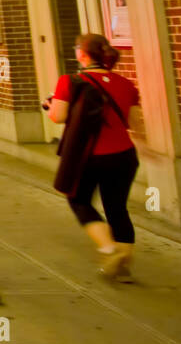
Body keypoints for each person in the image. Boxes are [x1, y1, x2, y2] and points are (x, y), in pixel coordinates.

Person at [46, 33, 140, 282]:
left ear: (82, 54)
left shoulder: (70, 81)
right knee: (117, 208)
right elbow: (134, 123)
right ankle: (124, 267)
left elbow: (58, 116)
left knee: (79, 201)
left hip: (90, 156)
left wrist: (49, 107)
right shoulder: (125, 83)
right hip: (124, 156)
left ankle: (109, 249)